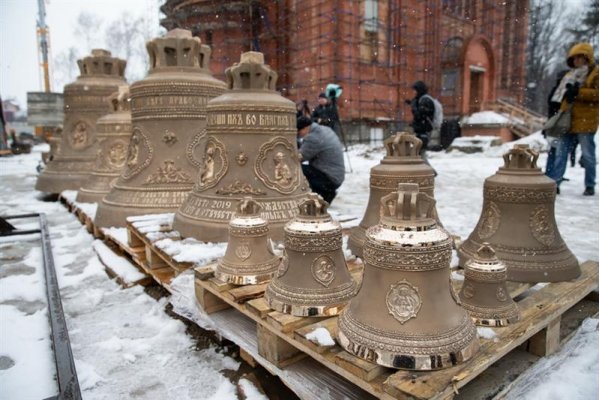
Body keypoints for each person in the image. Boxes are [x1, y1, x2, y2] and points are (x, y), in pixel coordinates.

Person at [546, 43, 598, 196]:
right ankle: (555, 183)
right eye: (574, 58)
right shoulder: (569, 75)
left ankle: (590, 184)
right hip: (567, 119)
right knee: (561, 153)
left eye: (579, 58)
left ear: (586, 58)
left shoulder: (595, 74)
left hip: (586, 120)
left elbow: (597, 94)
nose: (577, 61)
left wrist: (579, 93)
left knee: (588, 155)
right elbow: (561, 97)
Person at [297, 116, 345, 204]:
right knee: (304, 170)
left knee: (296, 169)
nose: (298, 136)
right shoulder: (325, 129)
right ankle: (324, 192)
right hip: (336, 175)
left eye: (298, 133)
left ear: (305, 128)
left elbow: (298, 158)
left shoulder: (313, 137)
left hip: (329, 179)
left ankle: (324, 194)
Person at [406, 80, 435, 150]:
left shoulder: (425, 100)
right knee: (419, 155)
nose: (414, 92)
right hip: (421, 131)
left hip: (423, 132)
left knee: (419, 155)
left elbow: (419, 115)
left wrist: (413, 105)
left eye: (415, 90)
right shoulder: (422, 99)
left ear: (419, 90)